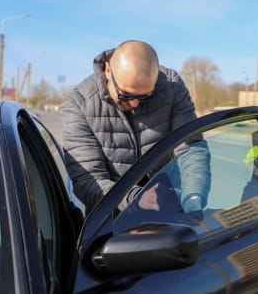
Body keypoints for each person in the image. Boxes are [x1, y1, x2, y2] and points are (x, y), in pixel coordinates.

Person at [62, 40, 210, 216]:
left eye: (146, 96)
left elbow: (190, 146)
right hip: (112, 219)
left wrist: (193, 197)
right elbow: (88, 178)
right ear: (108, 71)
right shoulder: (79, 104)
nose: (134, 103)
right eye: (126, 95)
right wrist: (133, 197)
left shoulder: (171, 86)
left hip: (171, 208)